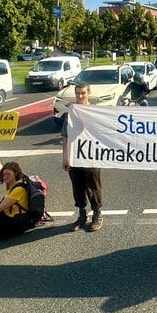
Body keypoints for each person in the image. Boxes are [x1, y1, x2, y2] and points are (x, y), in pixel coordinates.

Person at [62, 82, 103, 232]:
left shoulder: (95, 111)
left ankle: (97, 214)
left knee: (93, 186)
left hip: (91, 155)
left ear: (89, 93)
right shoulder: (70, 113)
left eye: (83, 93)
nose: (80, 96)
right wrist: (65, 157)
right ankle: (82, 216)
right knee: (77, 187)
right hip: (74, 156)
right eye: (78, 93)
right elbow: (65, 137)